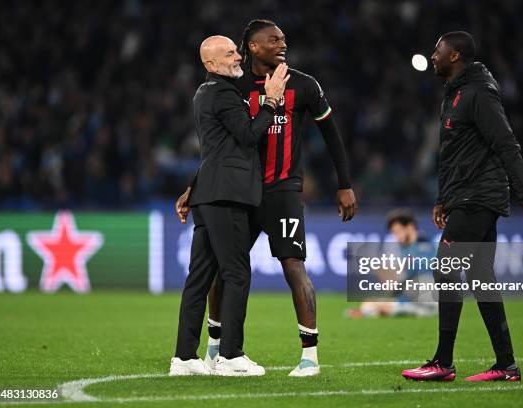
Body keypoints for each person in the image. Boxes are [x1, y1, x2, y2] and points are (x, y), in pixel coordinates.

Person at [192, 19, 357, 378]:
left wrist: (344, 183)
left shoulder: (303, 84)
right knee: (225, 268)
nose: (282, 44)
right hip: (241, 190)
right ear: (252, 46)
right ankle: (216, 350)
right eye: (273, 40)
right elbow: (217, 144)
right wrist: (195, 185)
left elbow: (331, 133)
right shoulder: (232, 85)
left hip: (282, 190)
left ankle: (310, 357)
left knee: (293, 266)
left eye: (283, 38)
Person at [402, 31, 523, 382]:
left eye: (438, 50)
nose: (432, 55)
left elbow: (506, 143)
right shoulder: (454, 94)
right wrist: (442, 198)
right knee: (481, 277)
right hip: (464, 195)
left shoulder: (478, 93)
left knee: (445, 269)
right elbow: (453, 154)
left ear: (455, 56)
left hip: (479, 195)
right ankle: (506, 365)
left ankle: (443, 363)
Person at [170, 35, 289, 377]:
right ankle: (230, 356)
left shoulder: (204, 93)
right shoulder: (223, 93)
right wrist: (271, 102)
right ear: (210, 64)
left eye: (236, 50)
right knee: (236, 272)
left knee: (199, 278)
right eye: (230, 53)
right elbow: (249, 136)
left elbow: (215, 150)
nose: (238, 56)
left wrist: (192, 188)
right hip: (227, 195)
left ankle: (185, 358)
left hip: (208, 194)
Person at [345, 208, 437, 319]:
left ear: (410, 227)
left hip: (428, 300)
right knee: (368, 304)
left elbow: (418, 278)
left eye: (398, 231)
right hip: (413, 299)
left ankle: (393, 309)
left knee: (371, 305)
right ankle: (396, 309)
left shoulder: (424, 246)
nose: (396, 236)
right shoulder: (406, 248)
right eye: (394, 233)